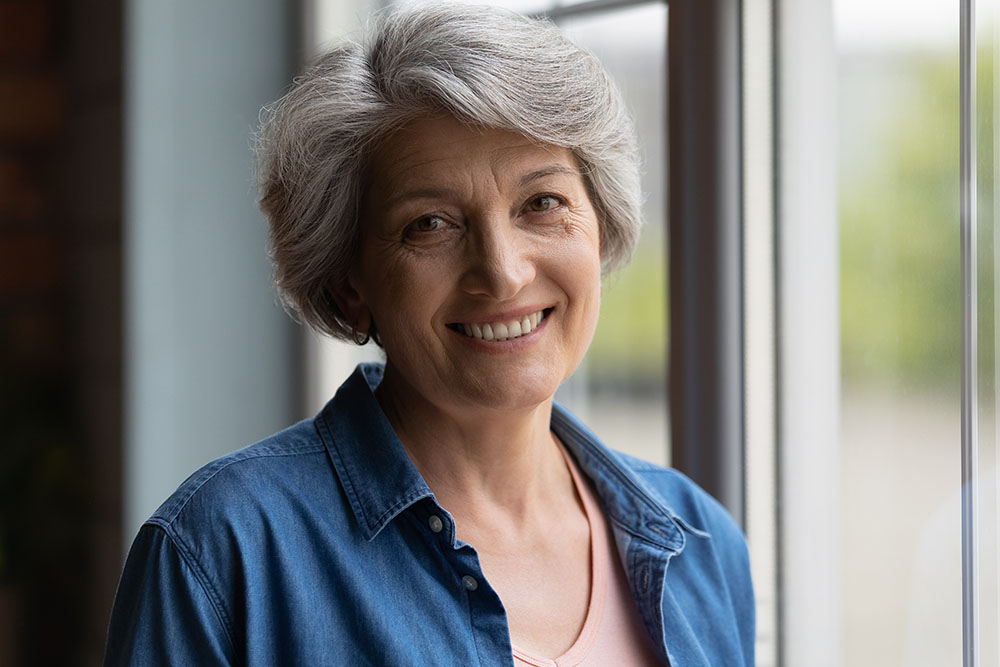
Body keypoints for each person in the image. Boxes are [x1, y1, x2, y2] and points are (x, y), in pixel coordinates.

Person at [104, 4, 754, 665]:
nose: (502, 273)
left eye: (543, 203)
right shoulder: (221, 551)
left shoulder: (701, 544)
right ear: (349, 283)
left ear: (602, 224)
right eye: (431, 224)